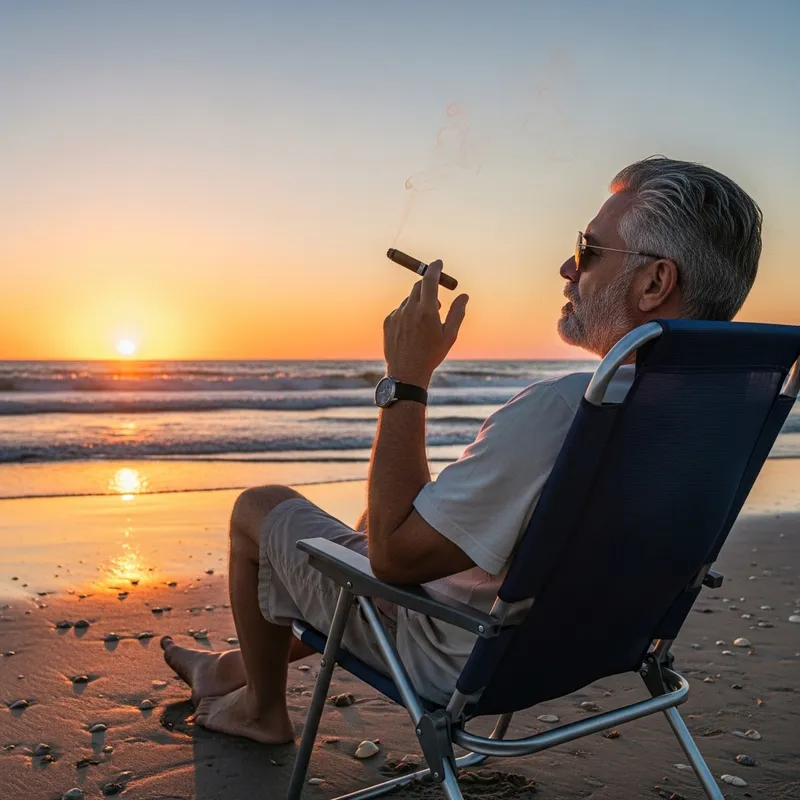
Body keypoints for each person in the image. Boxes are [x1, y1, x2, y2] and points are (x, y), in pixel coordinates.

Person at [161, 156, 763, 744]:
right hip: (587, 647)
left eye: (588, 250)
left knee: (261, 507)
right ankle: (229, 670)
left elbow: (394, 561)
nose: (566, 267)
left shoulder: (569, 411)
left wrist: (407, 380)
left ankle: (260, 710)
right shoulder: (720, 414)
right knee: (372, 531)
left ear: (655, 282)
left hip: (455, 648)